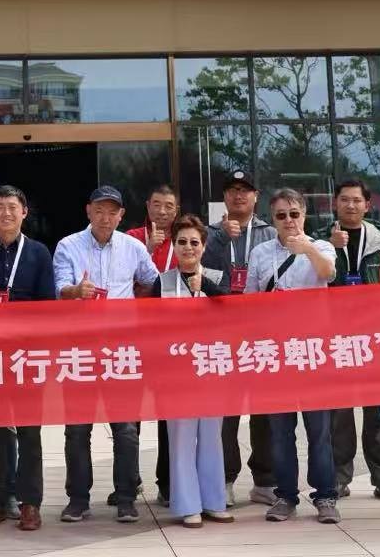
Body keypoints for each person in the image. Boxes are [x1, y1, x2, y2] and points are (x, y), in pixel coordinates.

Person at [52, 185, 159, 524]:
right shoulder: (68, 245)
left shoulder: (133, 247)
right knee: (77, 429)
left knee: (125, 429)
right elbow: (58, 288)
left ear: (121, 215)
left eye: (112, 212)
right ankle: (78, 499)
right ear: (88, 211)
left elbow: (154, 282)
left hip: (121, 351)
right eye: (99, 210)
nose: (105, 217)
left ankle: (126, 498)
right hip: (80, 350)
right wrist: (75, 291)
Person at [0, 184, 57, 531]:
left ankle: (30, 504)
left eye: (12, 207)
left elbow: (48, 306)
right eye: (0, 207)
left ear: (24, 213)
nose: (6, 213)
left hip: (27, 356)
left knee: (30, 432)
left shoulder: (39, 253)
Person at [245, 188, 340, 525]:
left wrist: (307, 249)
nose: (288, 221)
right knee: (280, 431)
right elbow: (249, 300)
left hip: (312, 351)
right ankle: (285, 495)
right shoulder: (260, 252)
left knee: (319, 430)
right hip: (275, 352)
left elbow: (328, 273)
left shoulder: (322, 246)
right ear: (273, 219)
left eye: (294, 214)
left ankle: (325, 495)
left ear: (304, 214)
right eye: (281, 215)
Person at [327, 180, 380, 502]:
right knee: (338, 413)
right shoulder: (320, 239)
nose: (350, 205)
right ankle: (337, 478)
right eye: (344, 200)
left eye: (356, 200)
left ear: (367, 205)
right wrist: (330, 246)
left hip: (375, 338)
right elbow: (311, 283)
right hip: (335, 338)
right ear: (335, 203)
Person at [156, 214, 236, 528]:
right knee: (181, 439)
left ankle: (214, 501)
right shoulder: (162, 282)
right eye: (182, 242)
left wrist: (207, 288)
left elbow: (234, 310)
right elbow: (149, 327)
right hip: (176, 374)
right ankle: (188, 504)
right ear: (173, 246)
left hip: (211, 368)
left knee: (212, 437)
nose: (188, 248)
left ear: (203, 246)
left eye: (194, 242)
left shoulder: (216, 276)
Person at [203, 171, 274, 505]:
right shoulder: (208, 233)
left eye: (245, 190)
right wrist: (219, 239)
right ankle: (226, 478)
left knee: (264, 409)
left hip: (261, 331)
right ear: (224, 197)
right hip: (221, 331)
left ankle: (265, 480)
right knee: (226, 411)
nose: (238, 196)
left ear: (256, 196)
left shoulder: (270, 232)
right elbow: (198, 272)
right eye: (232, 190)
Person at [126, 183, 179, 504]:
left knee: (168, 414)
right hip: (133, 336)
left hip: (170, 339)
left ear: (176, 210)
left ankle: (168, 483)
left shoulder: (184, 240)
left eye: (168, 206)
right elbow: (121, 280)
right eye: (157, 204)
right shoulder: (130, 239)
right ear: (147, 206)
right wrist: (145, 249)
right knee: (129, 416)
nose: (162, 211)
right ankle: (129, 483)